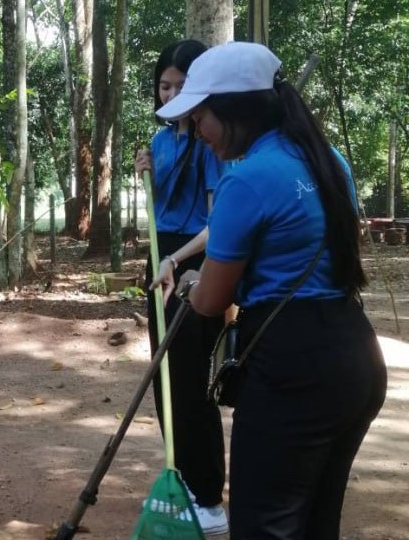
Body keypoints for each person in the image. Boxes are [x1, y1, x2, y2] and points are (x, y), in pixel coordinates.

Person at [157, 41, 387, 539]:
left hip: (292, 368)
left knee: (266, 526)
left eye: (201, 116)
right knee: (316, 523)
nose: (196, 129)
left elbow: (212, 301)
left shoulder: (247, 180)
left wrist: (192, 282)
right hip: (355, 356)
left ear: (235, 111)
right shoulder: (331, 161)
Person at [134, 39, 229, 536]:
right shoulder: (160, 141)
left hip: (196, 261)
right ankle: (182, 475)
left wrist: (177, 257)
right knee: (163, 374)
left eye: (180, 85)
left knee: (192, 378)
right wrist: (144, 175)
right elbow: (158, 207)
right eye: (163, 85)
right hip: (160, 256)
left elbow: (220, 226)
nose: (170, 93)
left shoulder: (212, 142)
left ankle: (210, 494)